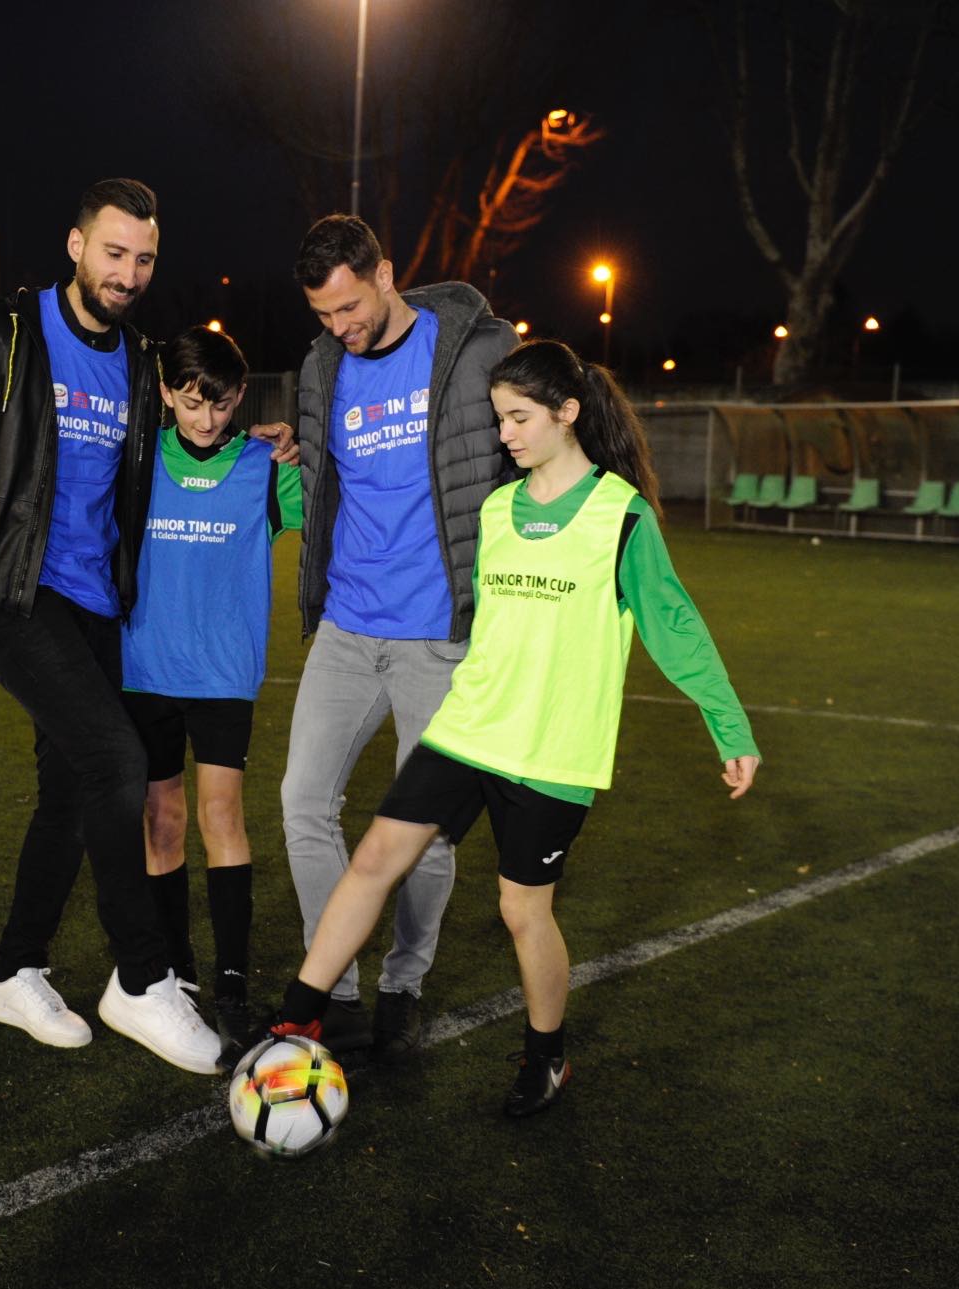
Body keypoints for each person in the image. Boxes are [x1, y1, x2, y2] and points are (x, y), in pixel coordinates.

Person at [257, 338, 761, 1116]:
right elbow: (382, 524)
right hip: (469, 727)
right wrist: (294, 487)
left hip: (553, 748)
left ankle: (547, 1055)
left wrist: (730, 726)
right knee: (374, 859)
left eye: (519, 418)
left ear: (568, 414)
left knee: (523, 910)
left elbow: (675, 626)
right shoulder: (496, 509)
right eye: (498, 420)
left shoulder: (619, 517)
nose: (505, 435)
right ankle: (300, 1011)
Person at [0, 179, 291, 1075]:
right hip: (8, 591)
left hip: (99, 604)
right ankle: (140, 980)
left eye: (143, 259)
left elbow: (187, 433)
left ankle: (14, 971)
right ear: (74, 245)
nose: (128, 273)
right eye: (113, 252)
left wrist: (263, 443)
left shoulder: (141, 361)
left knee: (70, 789)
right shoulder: (1, 337)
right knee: (117, 761)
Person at [282, 214, 518, 1061]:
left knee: (424, 834)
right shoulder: (318, 368)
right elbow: (319, 466)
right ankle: (336, 986)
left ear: (385, 272)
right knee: (304, 806)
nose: (340, 328)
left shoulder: (478, 350)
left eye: (349, 306)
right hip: (347, 627)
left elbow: (535, 443)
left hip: (438, 638)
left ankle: (403, 984)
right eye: (323, 315)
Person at [119, 326, 303, 1063]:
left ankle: (230, 983)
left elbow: (327, 514)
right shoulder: (134, 462)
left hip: (224, 673)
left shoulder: (264, 465)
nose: (206, 419)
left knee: (221, 813)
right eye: (192, 403)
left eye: (221, 404)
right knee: (161, 819)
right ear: (165, 393)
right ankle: (174, 972)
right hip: (143, 668)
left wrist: (301, 445)